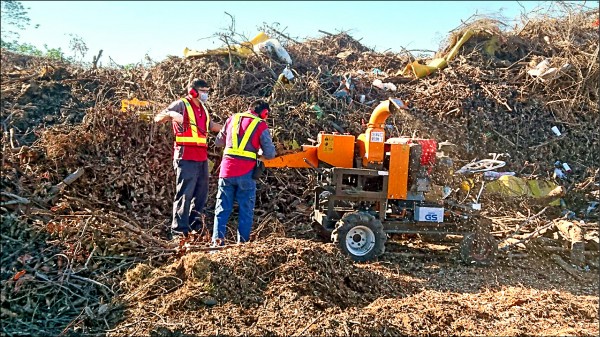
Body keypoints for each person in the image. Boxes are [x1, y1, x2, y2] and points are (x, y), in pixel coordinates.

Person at [154, 78, 222, 239]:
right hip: (185, 156)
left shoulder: (203, 109)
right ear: (193, 91)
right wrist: (171, 114)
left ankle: (195, 226)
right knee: (185, 194)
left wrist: (231, 128)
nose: (206, 94)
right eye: (203, 91)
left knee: (201, 193)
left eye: (207, 91)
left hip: (201, 157)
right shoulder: (181, 104)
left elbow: (211, 126)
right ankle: (178, 230)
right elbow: (159, 117)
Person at [212, 100, 276, 246]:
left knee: (221, 209)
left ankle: (216, 243)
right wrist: (257, 151)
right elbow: (270, 153)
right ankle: (242, 246)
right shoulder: (260, 124)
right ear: (264, 113)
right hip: (246, 173)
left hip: (226, 171)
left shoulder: (232, 118)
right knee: (245, 211)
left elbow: (218, 142)